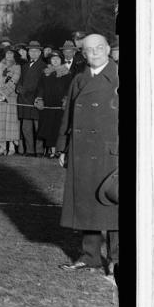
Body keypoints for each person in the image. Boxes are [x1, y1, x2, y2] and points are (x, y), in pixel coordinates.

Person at [57, 33, 119, 274]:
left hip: (111, 152)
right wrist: (62, 147)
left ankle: (117, 259)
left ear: (106, 49)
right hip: (82, 150)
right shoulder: (80, 79)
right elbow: (68, 115)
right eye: (88, 50)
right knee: (87, 203)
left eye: (98, 49)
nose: (93, 53)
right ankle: (90, 255)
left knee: (114, 204)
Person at [36, 50, 71, 157]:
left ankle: (59, 151)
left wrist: (66, 100)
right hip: (48, 104)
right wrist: (40, 99)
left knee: (59, 128)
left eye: (57, 59)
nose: (55, 60)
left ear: (61, 60)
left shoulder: (67, 73)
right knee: (49, 128)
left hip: (60, 106)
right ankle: (52, 151)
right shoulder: (45, 73)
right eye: (53, 59)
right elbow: (40, 87)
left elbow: (69, 88)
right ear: (50, 60)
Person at [0, 47, 21, 155]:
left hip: (10, 97)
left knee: (10, 123)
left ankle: (11, 147)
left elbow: (14, 81)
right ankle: (2, 147)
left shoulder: (17, 67)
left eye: (11, 53)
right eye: (7, 53)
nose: (8, 55)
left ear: (14, 55)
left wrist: (3, 93)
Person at [17, 40, 45, 156]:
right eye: (31, 51)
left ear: (39, 53)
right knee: (26, 127)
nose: (33, 53)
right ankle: (29, 150)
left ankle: (39, 150)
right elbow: (20, 80)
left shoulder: (43, 66)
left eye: (35, 51)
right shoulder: (24, 66)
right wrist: (19, 87)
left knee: (38, 127)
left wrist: (39, 97)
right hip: (24, 99)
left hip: (35, 99)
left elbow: (43, 84)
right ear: (28, 53)